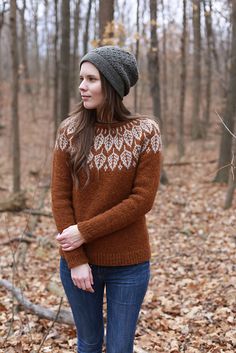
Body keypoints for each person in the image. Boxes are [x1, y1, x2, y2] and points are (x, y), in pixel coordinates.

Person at [51, 45, 162, 353]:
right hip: (78, 260)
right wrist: (76, 259)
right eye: (81, 78)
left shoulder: (145, 132)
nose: (81, 86)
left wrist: (84, 231)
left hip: (130, 264)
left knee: (119, 347)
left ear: (112, 84)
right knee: (88, 342)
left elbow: (142, 200)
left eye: (91, 79)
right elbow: (60, 198)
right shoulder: (69, 131)